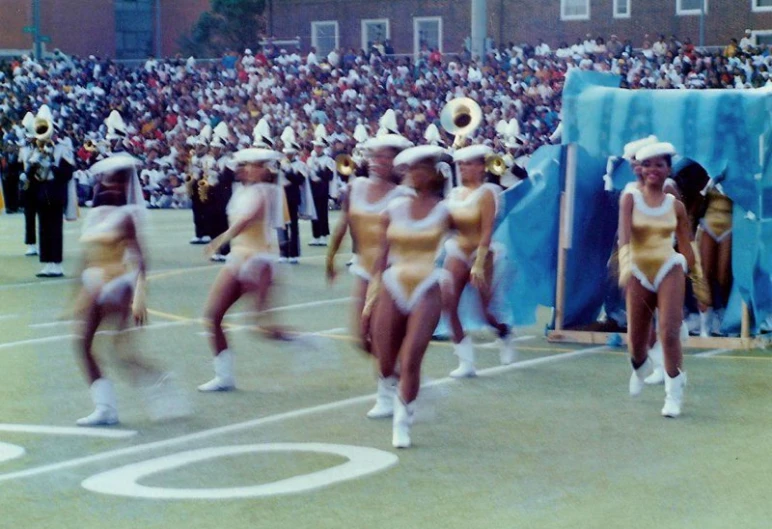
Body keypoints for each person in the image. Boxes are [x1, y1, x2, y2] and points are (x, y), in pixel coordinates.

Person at [73, 155, 186, 426]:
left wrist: (139, 297)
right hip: (96, 286)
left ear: (124, 185)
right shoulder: (95, 214)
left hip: (117, 286)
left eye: (114, 180)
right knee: (83, 345)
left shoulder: (126, 217)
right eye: (105, 180)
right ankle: (105, 408)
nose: (106, 185)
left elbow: (140, 259)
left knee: (120, 351)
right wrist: (75, 295)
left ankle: (162, 383)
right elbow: (86, 256)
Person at [368, 144, 452, 448]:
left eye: (422, 168)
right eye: (410, 169)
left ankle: (402, 420)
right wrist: (371, 297)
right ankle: (401, 390)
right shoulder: (392, 210)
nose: (415, 174)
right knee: (386, 361)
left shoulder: (446, 210)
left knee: (412, 356)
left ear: (434, 173)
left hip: (427, 285)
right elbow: (381, 256)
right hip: (392, 284)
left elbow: (472, 235)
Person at [197, 147, 291, 392]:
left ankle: (305, 344)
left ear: (264, 170)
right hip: (239, 257)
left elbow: (246, 220)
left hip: (259, 260)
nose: (246, 169)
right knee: (213, 315)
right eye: (245, 165)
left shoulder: (266, 192)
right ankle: (224, 376)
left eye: (253, 165)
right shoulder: (240, 191)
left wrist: (218, 241)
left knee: (260, 324)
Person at [618, 142, 695, 418]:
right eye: (647, 164)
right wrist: (625, 268)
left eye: (659, 165)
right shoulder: (629, 198)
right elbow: (624, 236)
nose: (652, 169)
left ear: (668, 169)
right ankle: (639, 367)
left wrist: (692, 274)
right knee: (637, 343)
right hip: (637, 270)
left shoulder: (675, 204)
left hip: (668, 266)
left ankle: (673, 394)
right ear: (640, 166)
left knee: (669, 331)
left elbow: (686, 243)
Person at [326, 133, 414, 363]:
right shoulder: (356, 186)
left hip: (391, 272)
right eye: (374, 156)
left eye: (385, 157)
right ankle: (401, 377)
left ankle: (393, 388)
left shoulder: (404, 195)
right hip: (364, 268)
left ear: (397, 162)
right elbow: (342, 226)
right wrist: (330, 260)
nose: (377, 162)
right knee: (361, 338)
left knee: (381, 334)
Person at [444, 144, 518, 378]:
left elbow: (487, 231)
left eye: (469, 164)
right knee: (448, 303)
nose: (464, 168)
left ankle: (504, 333)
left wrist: (478, 263)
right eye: (461, 164)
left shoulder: (488, 192)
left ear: (481, 167)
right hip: (457, 250)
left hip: (481, 254)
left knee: (485, 311)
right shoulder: (454, 194)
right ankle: (466, 362)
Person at [697, 182, 733, 336]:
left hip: (729, 225)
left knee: (723, 275)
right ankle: (705, 324)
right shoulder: (710, 172)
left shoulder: (738, 173)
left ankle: (722, 315)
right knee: (704, 273)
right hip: (708, 224)